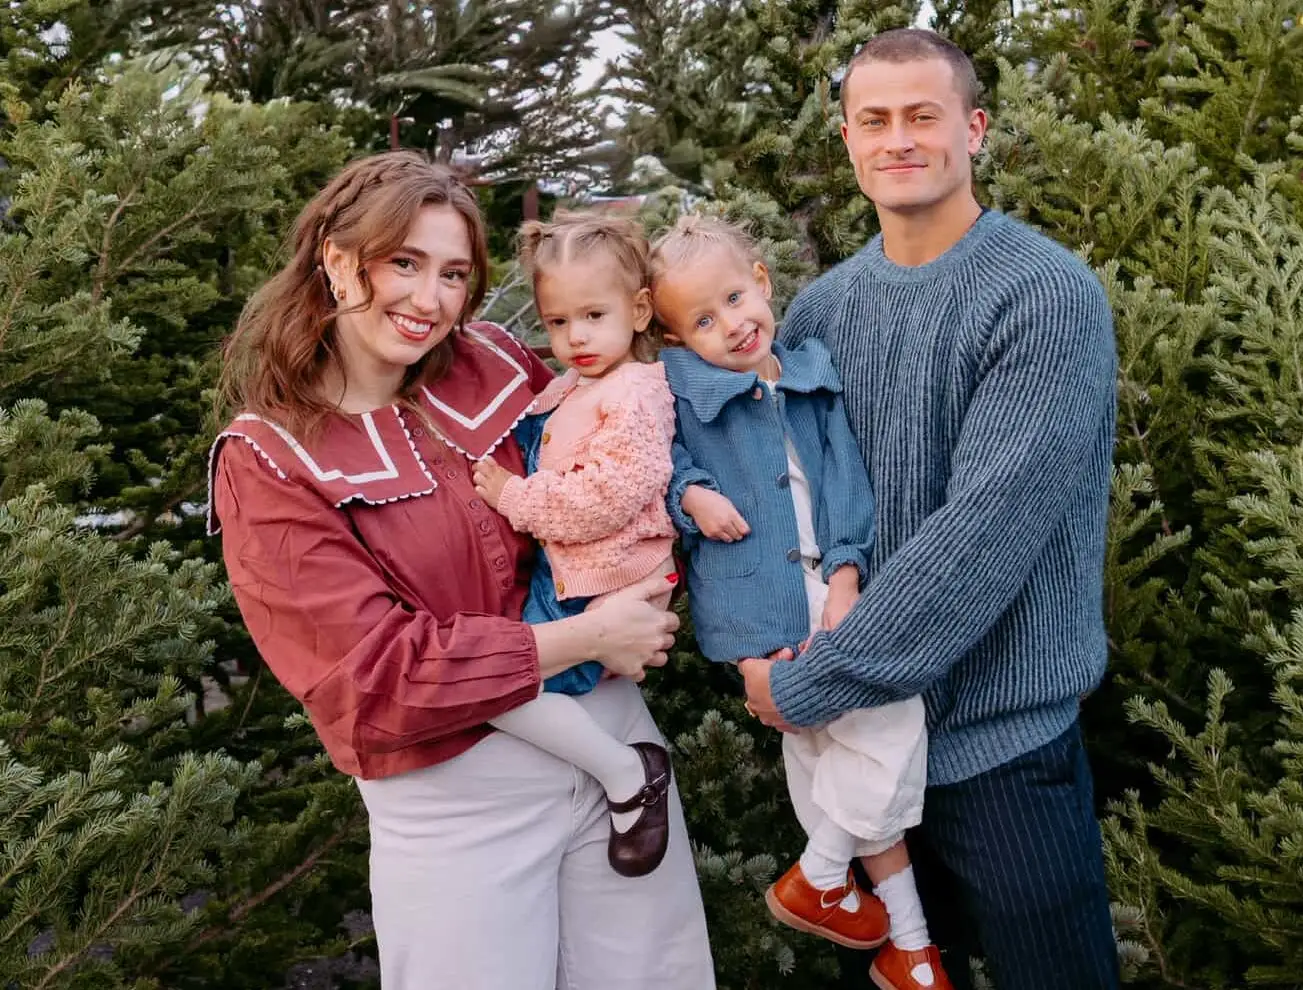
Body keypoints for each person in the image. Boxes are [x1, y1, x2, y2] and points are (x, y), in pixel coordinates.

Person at [208, 150, 716, 990]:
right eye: (402, 263)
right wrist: (590, 633)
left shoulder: (495, 366)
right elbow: (368, 679)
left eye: (453, 273)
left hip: (620, 749)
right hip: (460, 796)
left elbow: (626, 459)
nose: (428, 300)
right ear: (338, 260)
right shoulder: (271, 460)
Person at [736, 28, 1123, 990]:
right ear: (848, 138)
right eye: (875, 119)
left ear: (975, 129)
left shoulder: (1045, 296)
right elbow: (773, 499)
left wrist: (818, 680)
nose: (898, 138)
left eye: (923, 115)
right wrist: (759, 643)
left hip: (1002, 745)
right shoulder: (821, 312)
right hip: (861, 752)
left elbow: (985, 532)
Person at [652, 215, 952, 990]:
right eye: (703, 322)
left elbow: (847, 481)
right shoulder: (678, 394)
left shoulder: (812, 376)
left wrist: (849, 575)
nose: (731, 327)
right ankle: (822, 875)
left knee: (848, 750)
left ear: (761, 278)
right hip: (757, 603)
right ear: (679, 340)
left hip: (828, 589)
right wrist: (691, 494)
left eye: (733, 299)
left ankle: (908, 945)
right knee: (880, 727)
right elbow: (654, 464)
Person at [468, 210, 680, 878]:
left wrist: (512, 497)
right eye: (558, 322)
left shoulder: (640, 396)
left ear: (640, 309)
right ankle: (614, 773)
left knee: (496, 688)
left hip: (603, 587)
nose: (575, 337)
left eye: (593, 315)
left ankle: (630, 777)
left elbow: (602, 498)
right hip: (571, 577)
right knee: (505, 679)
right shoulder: (578, 384)